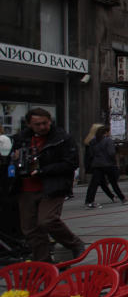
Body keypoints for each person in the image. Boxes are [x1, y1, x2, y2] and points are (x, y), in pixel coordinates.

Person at [11, 108, 86, 262]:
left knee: (47, 220)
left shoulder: (62, 138)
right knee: (30, 229)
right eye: (37, 124)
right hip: (26, 188)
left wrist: (43, 170)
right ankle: (44, 264)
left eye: (45, 123)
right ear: (29, 124)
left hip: (52, 186)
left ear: (50, 121)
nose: (42, 127)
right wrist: (14, 157)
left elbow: (71, 163)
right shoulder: (20, 139)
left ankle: (74, 243)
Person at [84, 125, 128, 208]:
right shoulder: (108, 140)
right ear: (106, 132)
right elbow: (111, 153)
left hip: (97, 164)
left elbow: (91, 154)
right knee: (113, 182)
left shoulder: (93, 141)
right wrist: (113, 161)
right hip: (107, 164)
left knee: (93, 184)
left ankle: (89, 201)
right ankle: (122, 198)